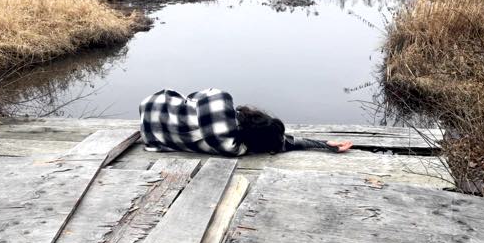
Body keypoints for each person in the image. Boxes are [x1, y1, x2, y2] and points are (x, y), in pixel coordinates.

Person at [139, 88, 352, 156]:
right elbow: (283, 144)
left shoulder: (220, 98)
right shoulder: (233, 148)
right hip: (151, 138)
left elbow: (196, 95)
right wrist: (324, 144)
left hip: (151, 104)